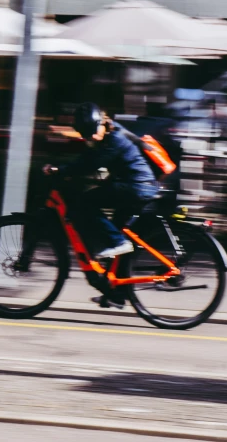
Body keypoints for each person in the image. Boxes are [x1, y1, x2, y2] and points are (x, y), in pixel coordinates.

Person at [44, 102, 160, 309]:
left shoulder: (115, 139)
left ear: (102, 123)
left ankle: (115, 242)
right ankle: (116, 293)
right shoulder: (108, 134)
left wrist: (61, 170)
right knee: (118, 237)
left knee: (85, 203)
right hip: (135, 186)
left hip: (136, 187)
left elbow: (91, 163)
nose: (91, 137)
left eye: (92, 132)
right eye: (86, 134)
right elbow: (89, 158)